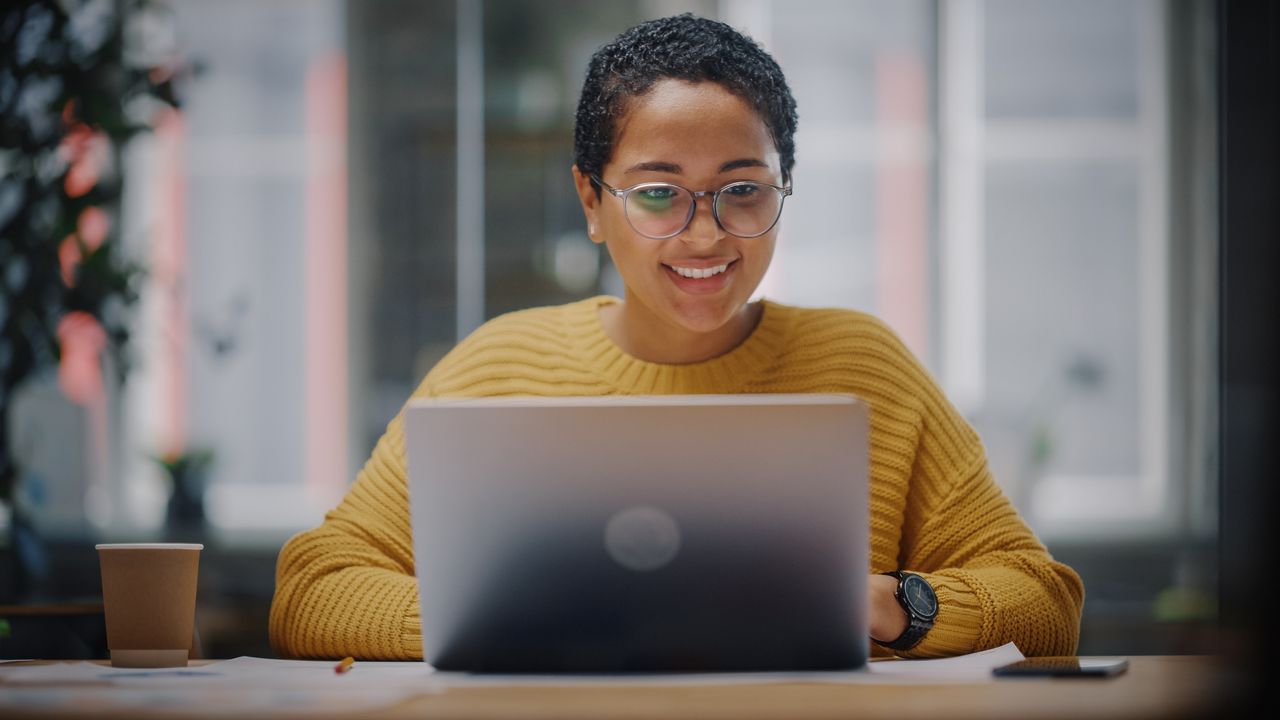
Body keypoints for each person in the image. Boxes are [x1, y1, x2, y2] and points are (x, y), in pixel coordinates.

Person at [269, 13, 1083, 661]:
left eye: (744, 190)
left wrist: (900, 607)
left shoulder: (865, 367)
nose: (706, 236)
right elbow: (311, 590)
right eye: (660, 194)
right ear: (591, 201)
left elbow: (1044, 599)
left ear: (782, 190)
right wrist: (505, 619)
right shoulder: (493, 369)